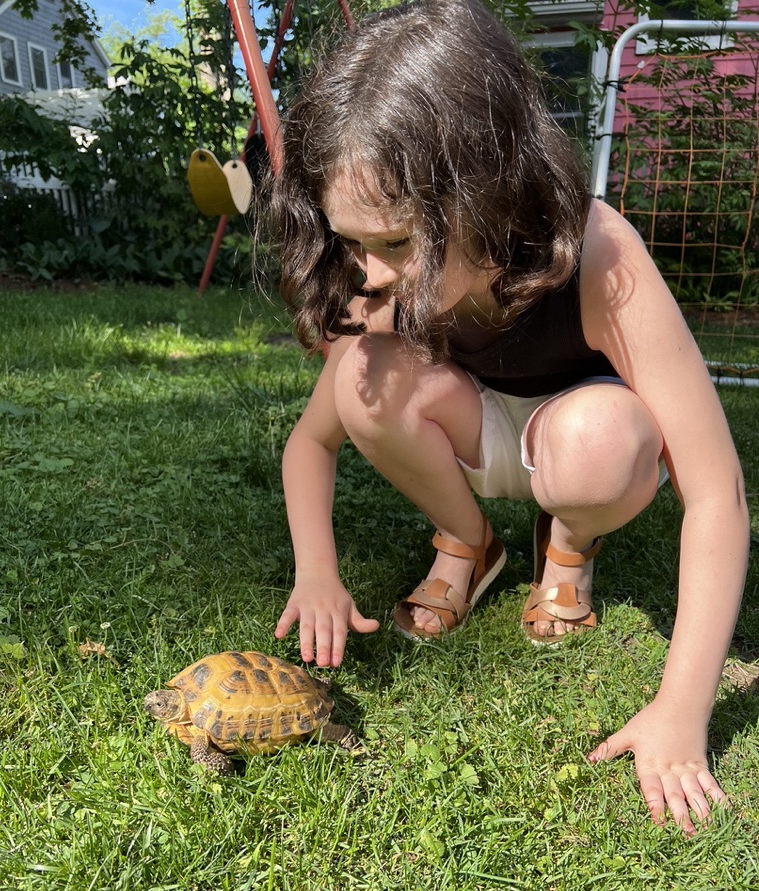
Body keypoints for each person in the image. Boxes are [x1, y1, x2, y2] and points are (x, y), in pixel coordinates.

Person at [268, 0, 749, 833]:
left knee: (599, 441)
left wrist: (681, 709)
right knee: (360, 381)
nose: (365, 272)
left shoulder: (602, 258)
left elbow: (717, 496)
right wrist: (316, 570)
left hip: (581, 444)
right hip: (480, 432)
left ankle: (570, 544)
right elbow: (312, 442)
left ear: (488, 196)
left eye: (390, 243)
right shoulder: (380, 278)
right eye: (348, 241)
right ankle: (471, 543)